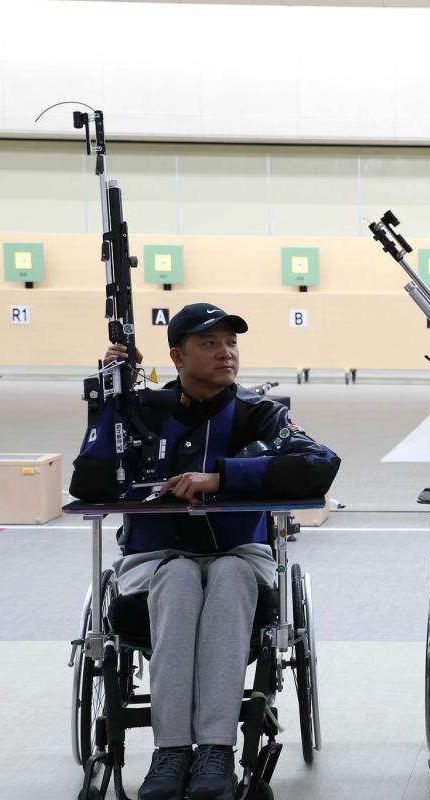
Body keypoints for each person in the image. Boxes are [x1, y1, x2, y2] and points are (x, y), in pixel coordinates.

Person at [70, 303, 341, 800]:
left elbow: (320, 463)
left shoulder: (260, 414)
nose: (226, 353)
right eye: (209, 344)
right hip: (154, 562)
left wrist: (223, 477)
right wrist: (109, 398)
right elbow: (88, 482)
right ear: (177, 356)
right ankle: (170, 752)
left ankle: (217, 748)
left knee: (230, 576)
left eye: (230, 343)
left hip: (241, 556)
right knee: (177, 579)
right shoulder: (141, 411)